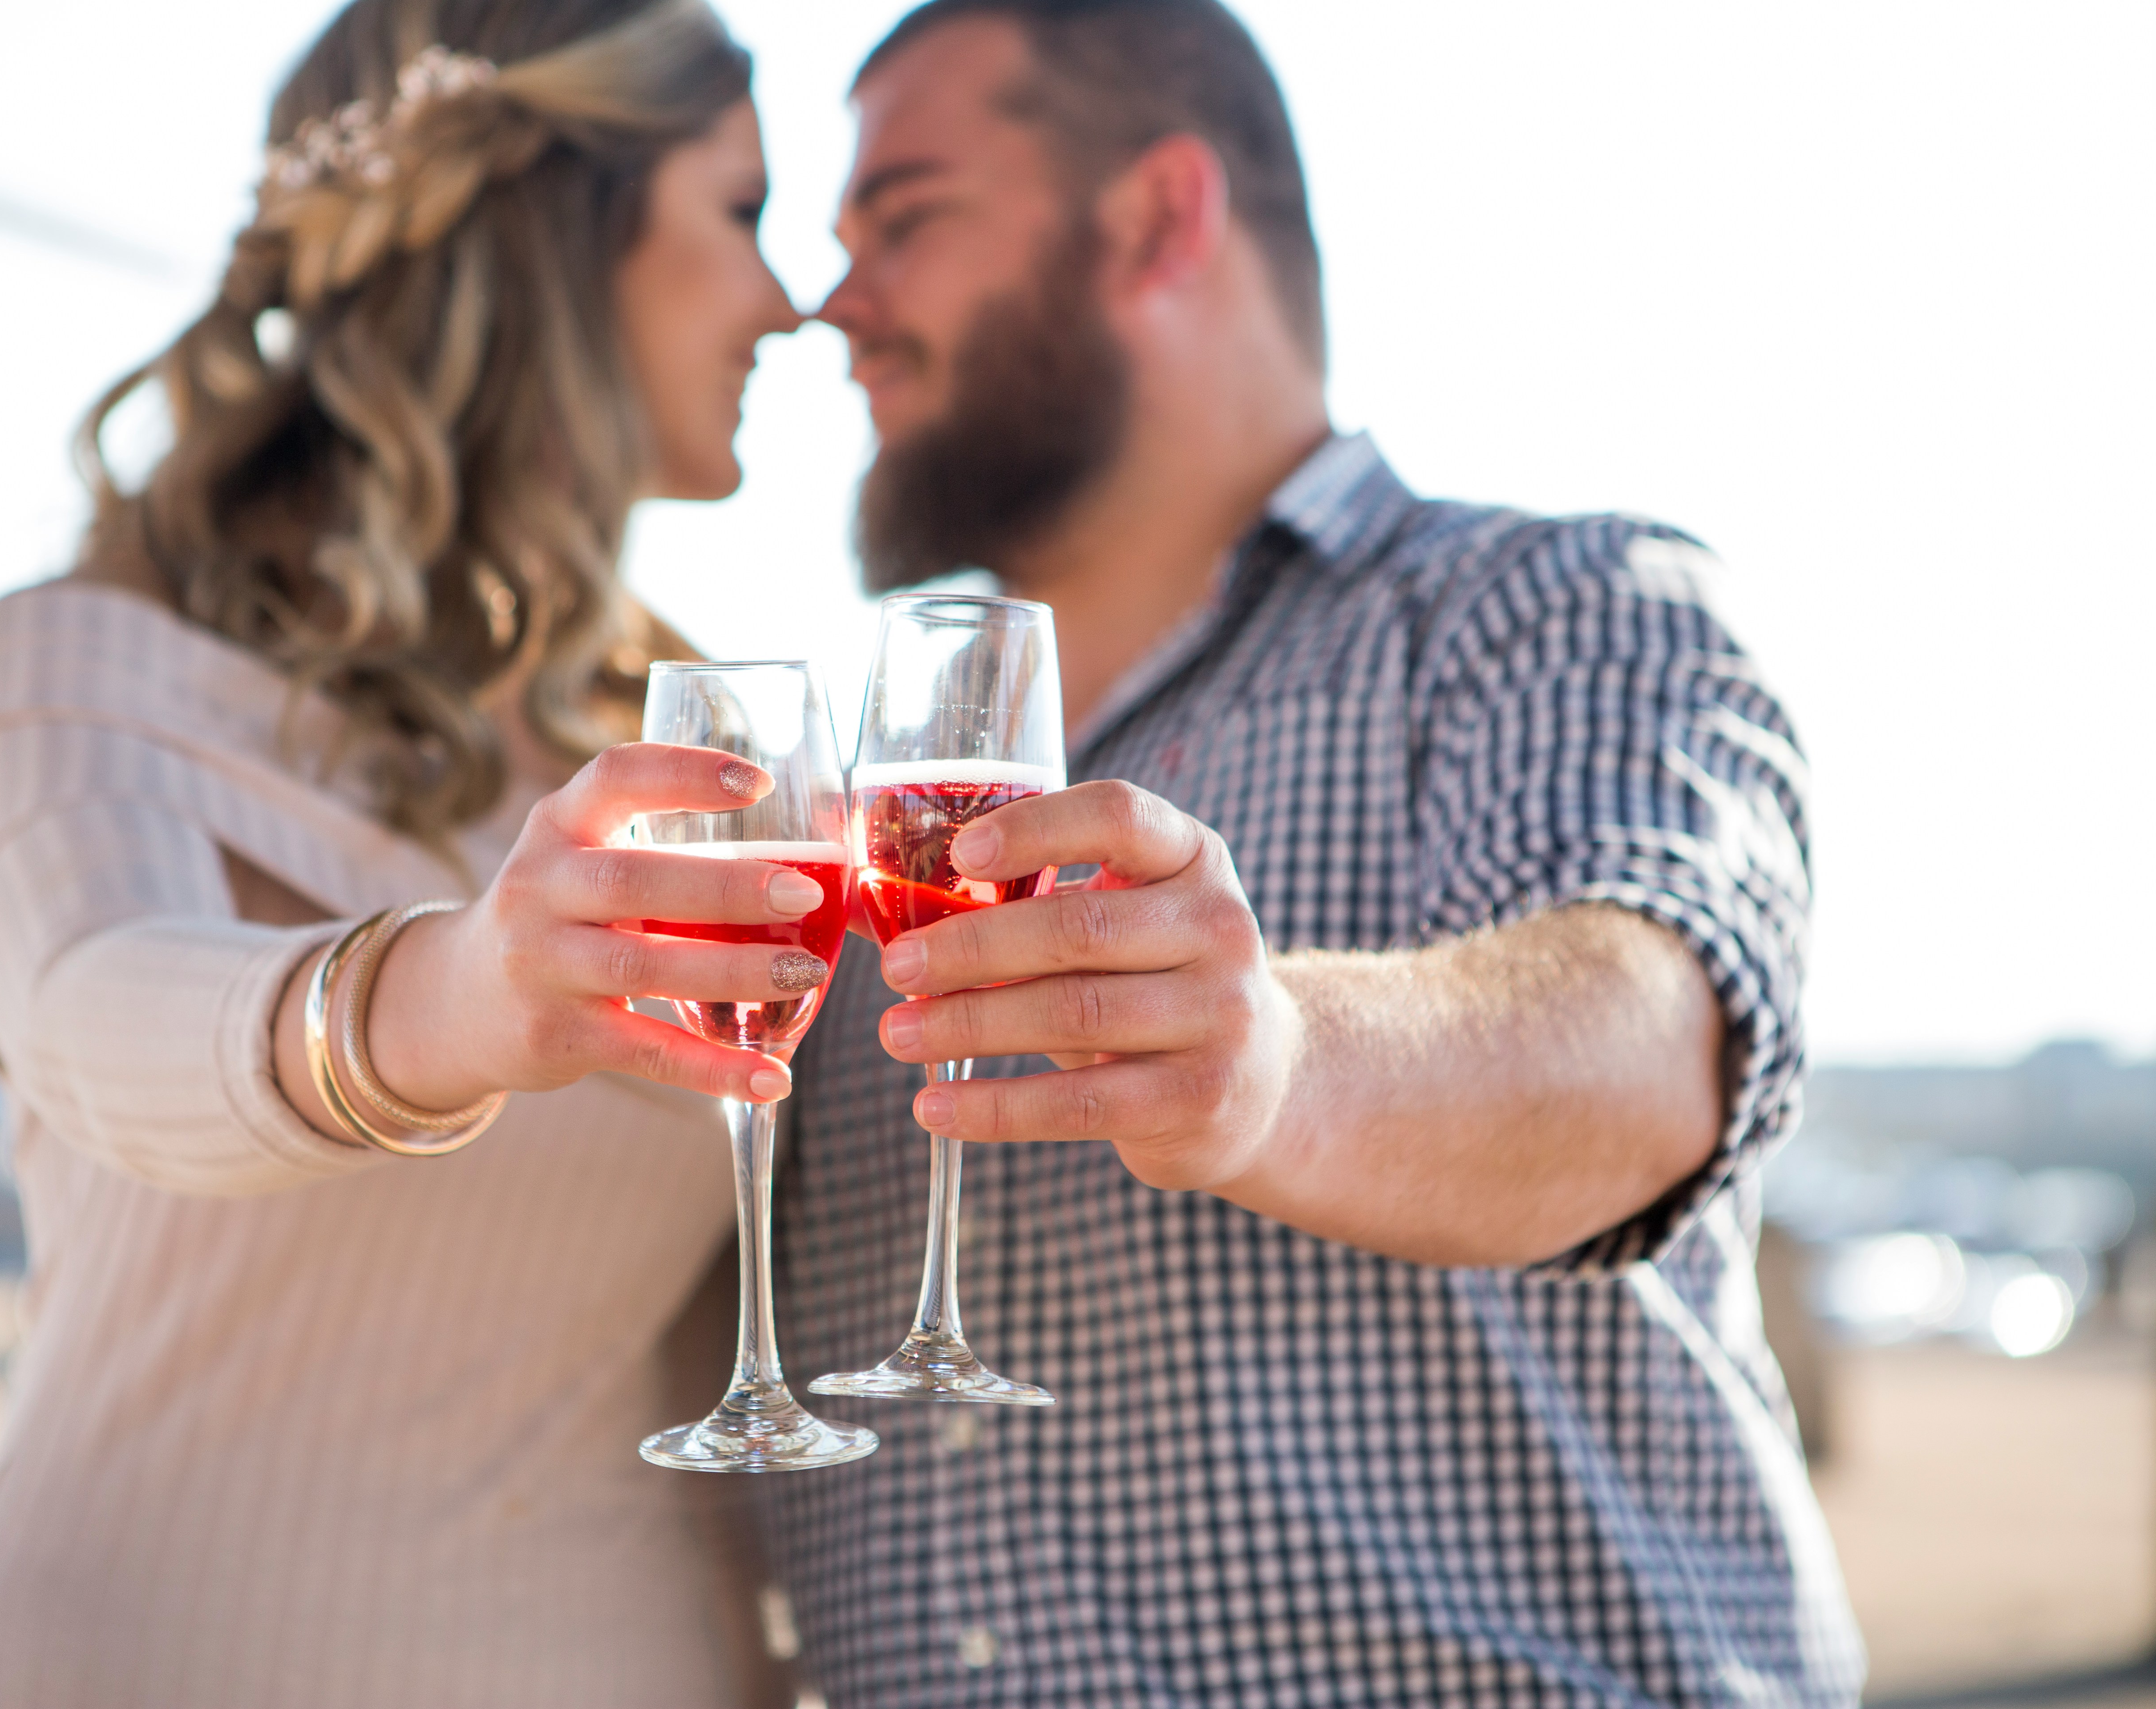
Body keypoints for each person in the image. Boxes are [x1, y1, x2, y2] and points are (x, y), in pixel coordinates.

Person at [768, 2, 1864, 1704]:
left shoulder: (1554, 606)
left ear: (1158, 218)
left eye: (903, 219)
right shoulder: (865, 806)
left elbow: (1653, 1047)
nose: (833, 303)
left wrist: (1271, 1059)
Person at [0, 2, 822, 1702]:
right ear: (556, 226)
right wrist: (448, 996)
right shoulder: (76, 667)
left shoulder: (687, 767)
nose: (793, 300)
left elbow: (708, 1374)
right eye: (743, 211)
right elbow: (97, 1006)